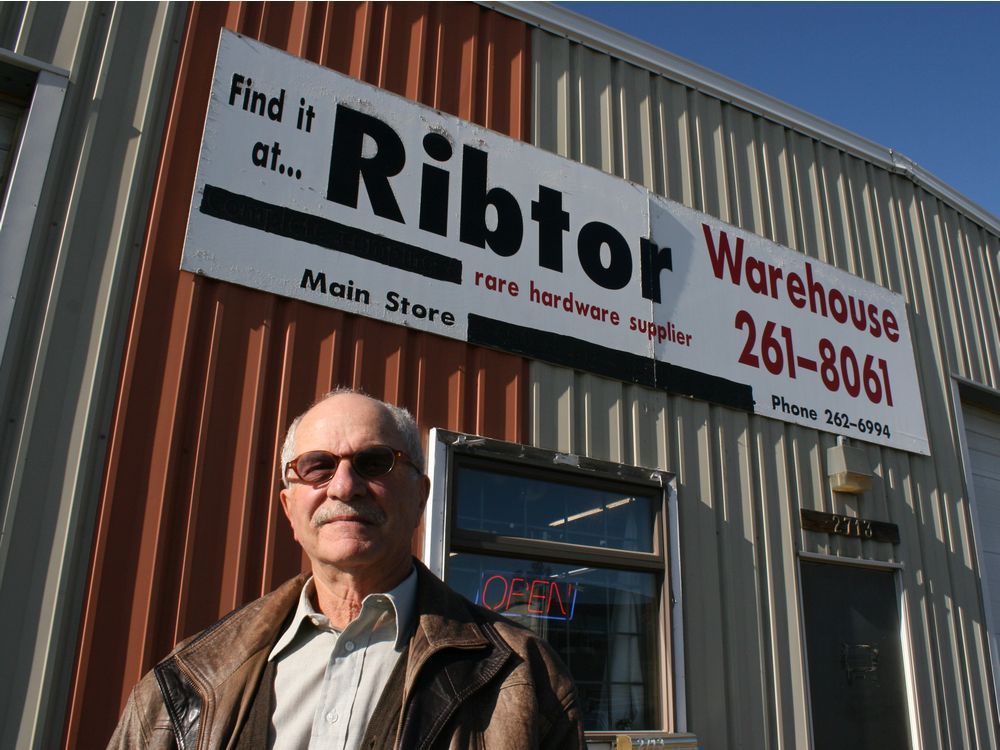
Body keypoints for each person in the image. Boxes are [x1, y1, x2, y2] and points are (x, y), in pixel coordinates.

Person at [108, 388, 586, 749]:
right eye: (317, 466)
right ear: (288, 507)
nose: (344, 485)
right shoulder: (186, 680)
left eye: (374, 462)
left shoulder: (526, 676)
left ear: (420, 495)